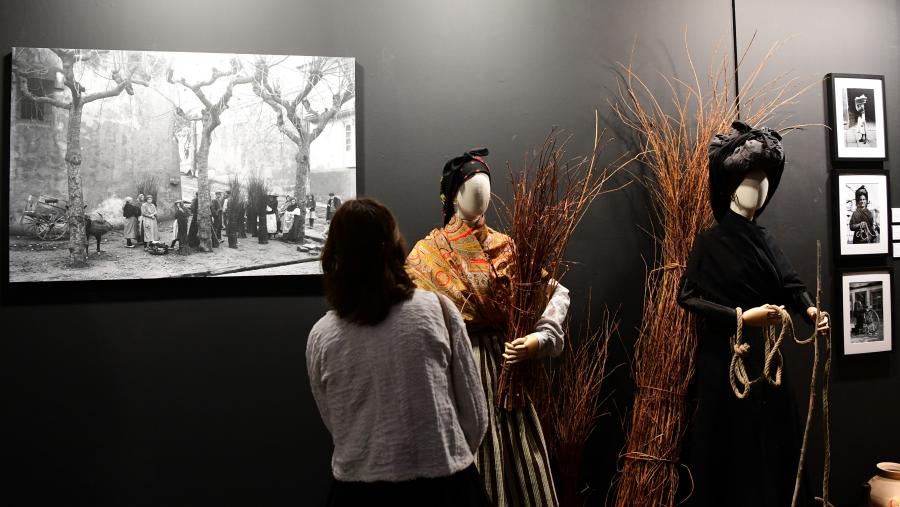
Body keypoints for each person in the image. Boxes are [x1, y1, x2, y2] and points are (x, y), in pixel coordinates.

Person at [677, 121, 830, 506]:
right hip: (724, 360)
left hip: (766, 361)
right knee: (729, 448)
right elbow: (688, 296)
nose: (760, 188)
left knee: (770, 444)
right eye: (751, 179)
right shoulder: (710, 242)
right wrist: (742, 317)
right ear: (732, 185)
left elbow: (791, 284)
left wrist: (811, 310)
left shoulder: (765, 240)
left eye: (765, 180)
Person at [406, 148, 569, 506]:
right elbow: (410, 317)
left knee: (521, 462)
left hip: (506, 366)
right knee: (465, 460)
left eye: (486, 186)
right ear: (453, 195)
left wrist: (539, 340)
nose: (481, 193)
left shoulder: (508, 247)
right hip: (454, 368)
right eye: (471, 186)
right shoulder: (426, 254)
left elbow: (555, 294)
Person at [307, 198, 489, 506]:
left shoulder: (321, 336)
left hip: (357, 492)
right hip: (446, 486)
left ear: (335, 255)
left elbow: (335, 422)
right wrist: (442, 456)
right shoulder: (439, 310)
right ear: (392, 247)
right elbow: (475, 415)